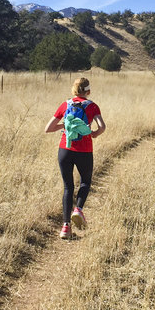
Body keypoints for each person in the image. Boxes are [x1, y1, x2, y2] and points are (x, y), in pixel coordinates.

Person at [44, 77, 106, 239]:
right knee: (85, 182)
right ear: (88, 91)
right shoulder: (92, 106)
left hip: (65, 149)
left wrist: (64, 125)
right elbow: (102, 126)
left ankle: (65, 227)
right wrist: (94, 134)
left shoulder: (66, 104)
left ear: (74, 90)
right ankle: (78, 209)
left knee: (67, 187)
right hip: (84, 150)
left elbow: (48, 128)